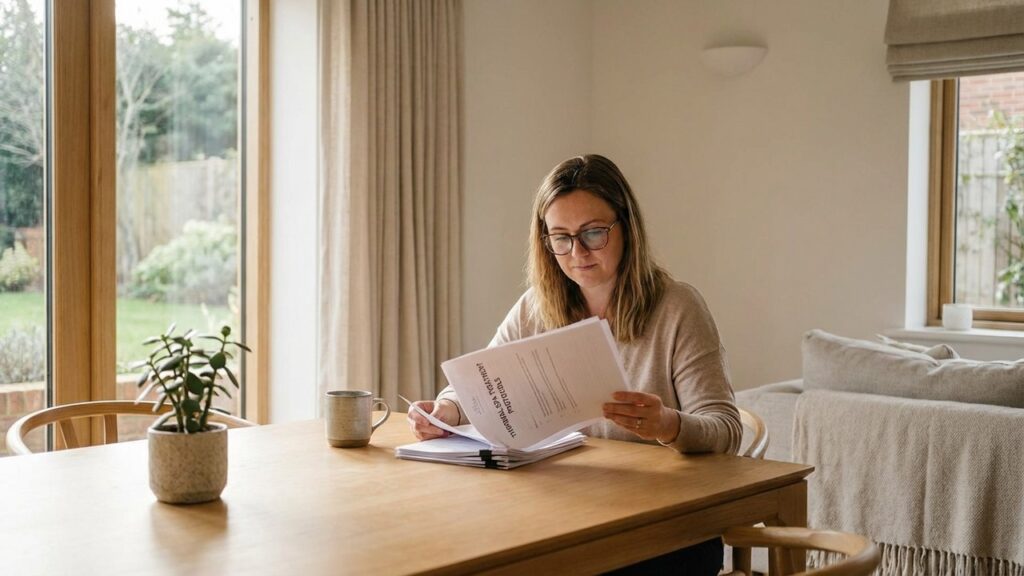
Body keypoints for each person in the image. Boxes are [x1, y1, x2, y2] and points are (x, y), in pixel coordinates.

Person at [407, 154, 741, 575]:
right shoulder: (537, 306)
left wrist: (667, 425)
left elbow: (727, 430)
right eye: (560, 238)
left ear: (627, 228)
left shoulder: (677, 307)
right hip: (570, 513)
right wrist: (447, 410)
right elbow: (480, 381)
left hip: (664, 528)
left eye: (593, 233)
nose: (576, 252)